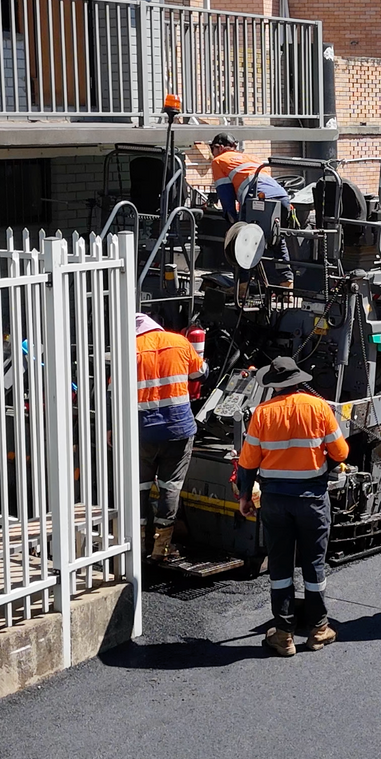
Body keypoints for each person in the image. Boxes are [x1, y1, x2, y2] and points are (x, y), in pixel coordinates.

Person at [236, 356, 349, 656]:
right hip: (312, 500)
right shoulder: (318, 407)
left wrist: (245, 497)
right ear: (299, 380)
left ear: (273, 384)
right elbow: (340, 452)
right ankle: (319, 629)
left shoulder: (262, 413)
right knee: (314, 565)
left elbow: (248, 463)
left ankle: (284, 634)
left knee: (280, 566)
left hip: (275, 502)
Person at [135, 312, 205, 561]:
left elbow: (114, 393)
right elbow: (200, 373)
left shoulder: (130, 348)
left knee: (139, 488)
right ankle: (161, 548)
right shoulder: (180, 341)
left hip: (142, 432)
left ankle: (138, 544)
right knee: (170, 488)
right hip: (178, 429)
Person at [208, 133, 293, 286]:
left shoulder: (219, 160)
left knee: (242, 242)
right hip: (282, 198)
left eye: (212, 148)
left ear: (219, 148)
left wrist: (232, 221)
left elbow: (226, 195)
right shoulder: (251, 158)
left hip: (258, 200)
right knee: (277, 240)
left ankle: (242, 287)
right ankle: (286, 282)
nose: (211, 153)